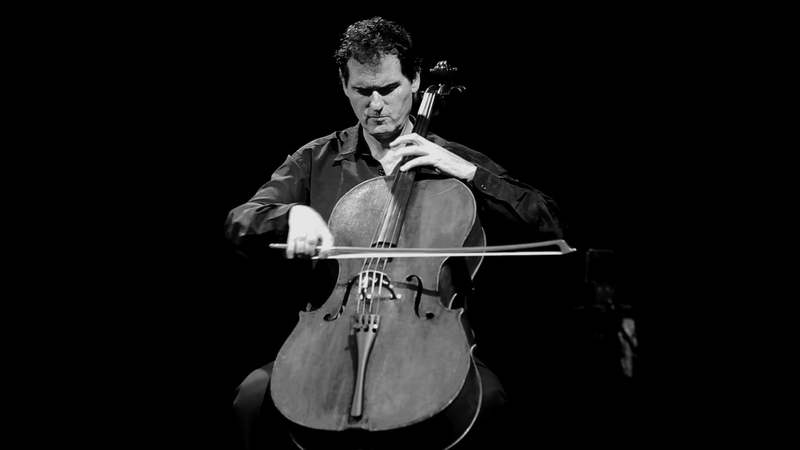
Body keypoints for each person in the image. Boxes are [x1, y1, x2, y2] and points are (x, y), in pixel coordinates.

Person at [226, 16, 563, 449]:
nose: (376, 104)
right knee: (252, 398)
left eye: (388, 89)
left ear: (415, 80)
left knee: (492, 401)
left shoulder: (450, 160)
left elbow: (547, 220)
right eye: (362, 91)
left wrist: (468, 172)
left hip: (427, 344)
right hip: (331, 344)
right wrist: (292, 215)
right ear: (344, 86)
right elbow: (242, 219)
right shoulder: (315, 159)